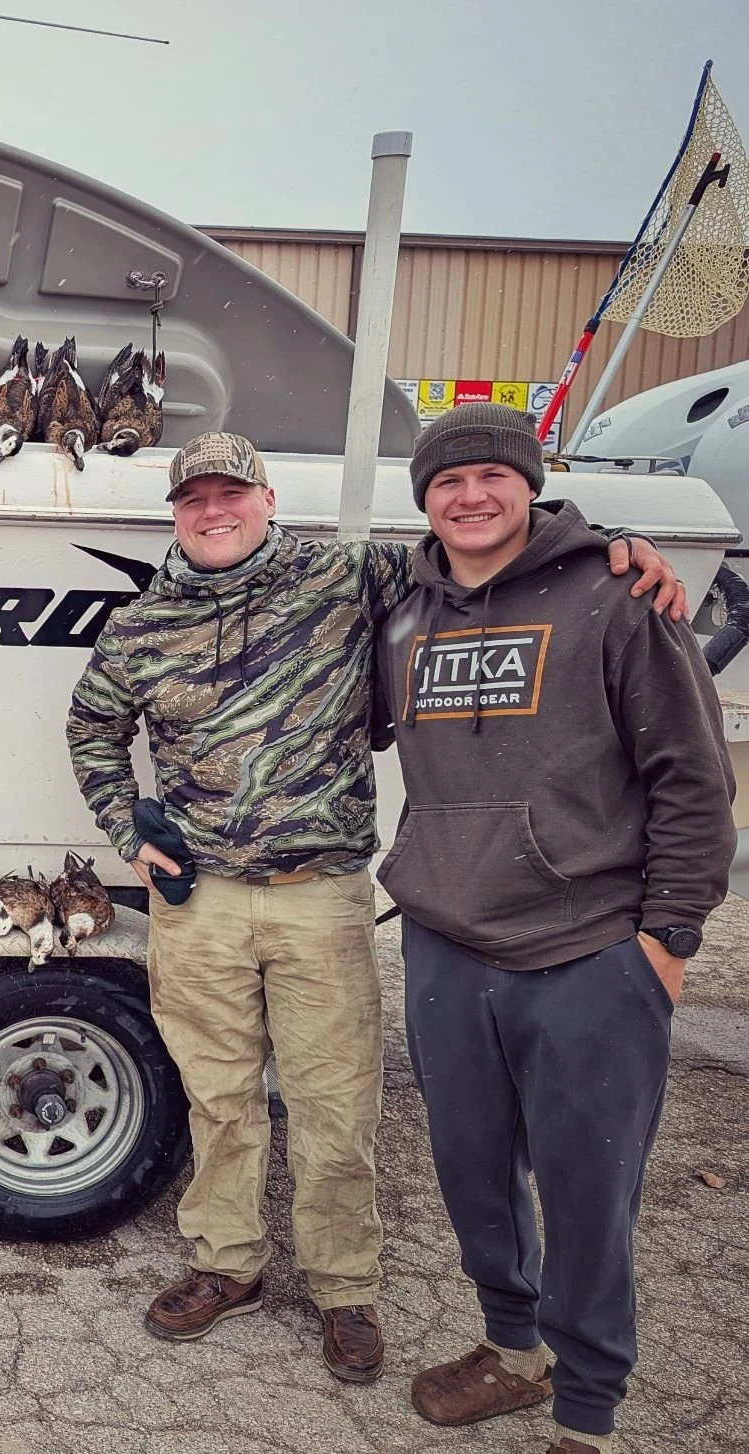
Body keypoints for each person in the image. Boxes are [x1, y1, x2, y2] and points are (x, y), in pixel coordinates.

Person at [65, 430, 685, 1385]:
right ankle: (225, 1265)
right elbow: (90, 727)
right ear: (176, 516)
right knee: (218, 1098)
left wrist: (615, 547)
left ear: (268, 502)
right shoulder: (143, 626)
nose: (214, 512)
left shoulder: (351, 575)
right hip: (201, 906)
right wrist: (125, 831)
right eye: (194, 501)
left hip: (320, 897)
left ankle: (342, 1287)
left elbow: (488, 552)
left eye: (232, 495)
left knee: (333, 1103)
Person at [376, 403, 734, 1454]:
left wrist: (664, 941)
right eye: (448, 481)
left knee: (586, 1197)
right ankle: (511, 1350)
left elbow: (690, 777)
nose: (471, 495)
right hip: (445, 942)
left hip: (588, 951)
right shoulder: (402, 613)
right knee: (468, 1172)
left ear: (531, 484)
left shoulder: (616, 598)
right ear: (424, 500)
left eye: (493, 475)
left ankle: (585, 1414)